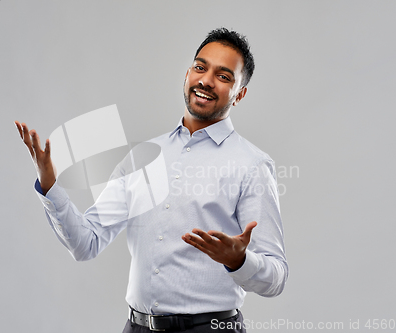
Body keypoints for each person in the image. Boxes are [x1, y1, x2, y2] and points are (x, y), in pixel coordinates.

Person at [15, 28, 288, 333]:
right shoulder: (142, 158)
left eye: (224, 76)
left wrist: (239, 261)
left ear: (239, 93)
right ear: (187, 75)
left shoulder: (251, 164)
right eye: (200, 67)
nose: (206, 81)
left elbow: (276, 277)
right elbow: (85, 243)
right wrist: (50, 185)